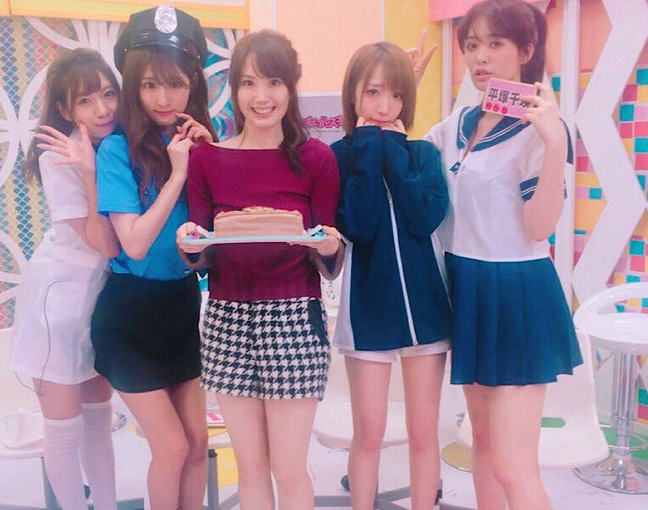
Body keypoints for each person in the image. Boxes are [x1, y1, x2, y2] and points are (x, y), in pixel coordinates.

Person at [423, 1, 583, 508]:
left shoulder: (541, 128)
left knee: (514, 464)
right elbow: (406, 171)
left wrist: (555, 145)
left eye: (496, 44)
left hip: (516, 292)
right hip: (467, 287)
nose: (481, 57)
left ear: (527, 49)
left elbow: (539, 228)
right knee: (483, 444)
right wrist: (398, 89)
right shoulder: (456, 124)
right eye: (472, 45)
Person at [177, 29, 342, 510]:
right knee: (249, 468)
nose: (261, 96)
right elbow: (203, 254)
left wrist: (330, 245)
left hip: (294, 318)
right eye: (248, 83)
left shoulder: (316, 158)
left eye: (274, 81)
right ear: (234, 88)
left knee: (288, 469)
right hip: (227, 318)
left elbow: (328, 261)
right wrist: (190, 244)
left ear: (291, 86)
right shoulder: (208, 159)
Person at [89, 6, 216, 509]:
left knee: (198, 445)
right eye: (149, 85)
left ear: (193, 84)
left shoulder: (199, 141)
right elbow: (135, 244)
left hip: (181, 309)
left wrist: (215, 158)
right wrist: (179, 175)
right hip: (129, 317)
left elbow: (219, 232)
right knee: (172, 447)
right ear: (133, 88)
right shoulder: (117, 150)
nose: (164, 99)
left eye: (176, 84)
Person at [331, 41, 452, 510]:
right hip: (367, 314)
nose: (385, 106)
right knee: (369, 434)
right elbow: (357, 226)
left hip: (427, 313)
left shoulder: (422, 154)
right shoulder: (339, 156)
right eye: (373, 92)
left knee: (424, 434)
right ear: (353, 94)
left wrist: (394, 153)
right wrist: (368, 150)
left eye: (397, 94)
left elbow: (424, 219)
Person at [10, 48, 121, 510]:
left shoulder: (112, 145)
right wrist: (89, 173)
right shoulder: (58, 155)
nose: (103, 109)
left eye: (108, 94)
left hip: (98, 297)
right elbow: (105, 243)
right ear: (63, 108)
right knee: (63, 429)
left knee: (98, 420)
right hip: (57, 302)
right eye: (85, 100)